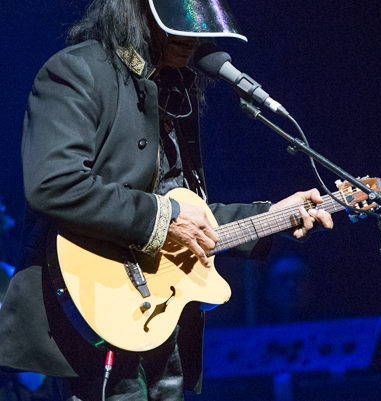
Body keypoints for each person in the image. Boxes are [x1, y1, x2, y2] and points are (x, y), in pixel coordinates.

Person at [0, 0, 333, 399]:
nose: (192, 39)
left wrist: (270, 216)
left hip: (161, 323)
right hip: (88, 315)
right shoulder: (78, 70)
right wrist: (167, 216)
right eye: (178, 28)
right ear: (136, 12)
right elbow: (55, 184)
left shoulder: (172, 88)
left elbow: (184, 210)